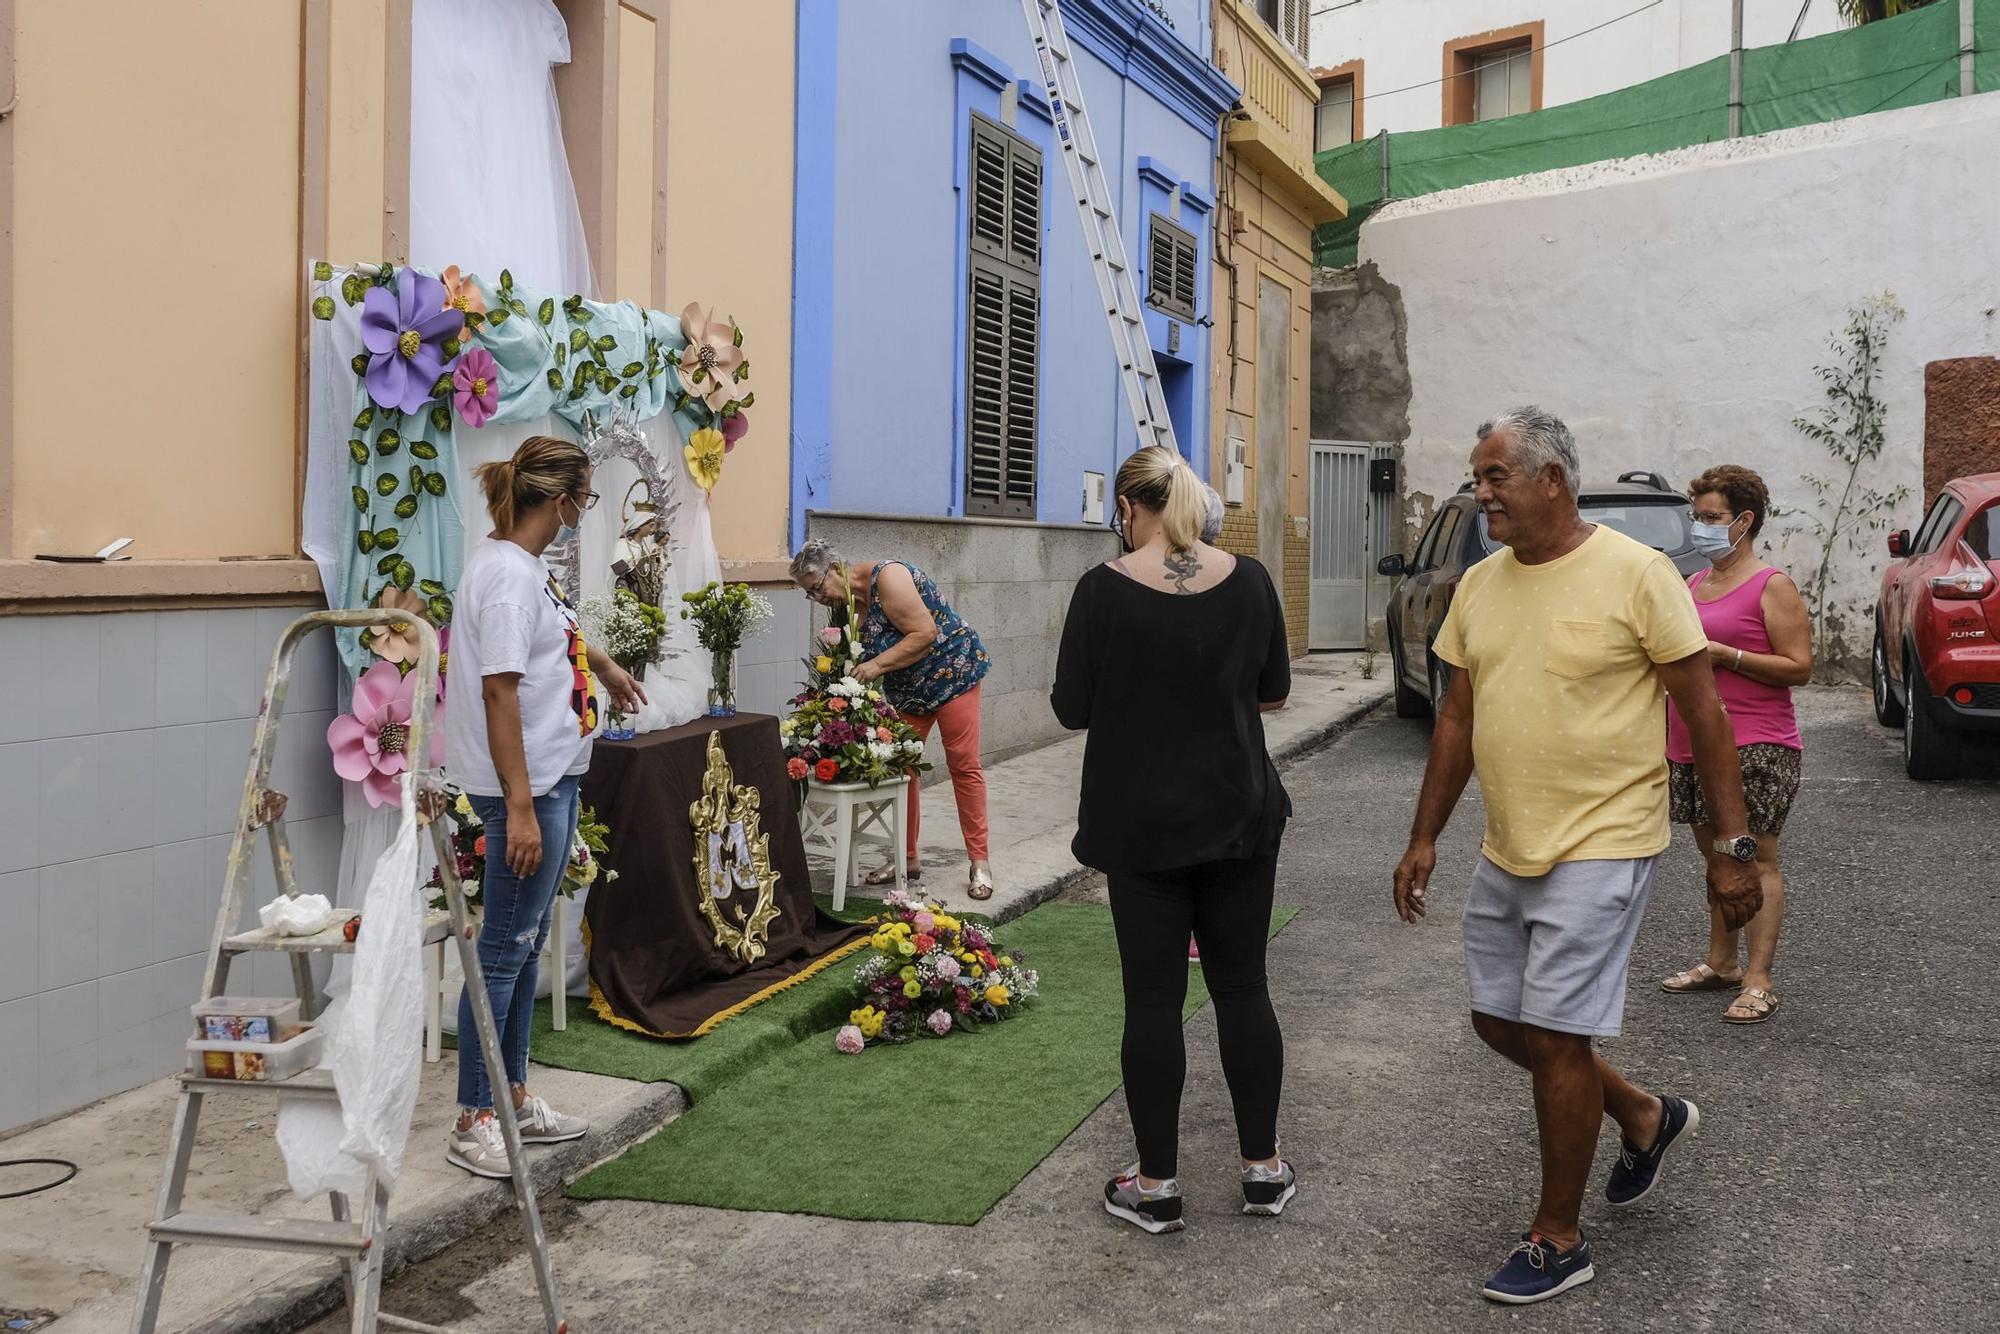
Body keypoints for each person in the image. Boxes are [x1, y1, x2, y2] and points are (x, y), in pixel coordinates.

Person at [1391, 408, 1762, 1303]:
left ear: (1550, 479)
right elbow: (1456, 716)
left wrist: (1731, 846)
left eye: (1494, 479)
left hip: (1606, 838)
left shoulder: (1637, 575)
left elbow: (1704, 713)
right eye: (1478, 480)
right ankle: (1643, 1113)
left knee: (1557, 1034)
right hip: (1508, 843)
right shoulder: (1479, 584)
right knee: (1496, 1019)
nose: (1481, 496)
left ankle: (1559, 1237)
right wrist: (1425, 835)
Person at [1051, 445, 1295, 1235]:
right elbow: (1276, 692)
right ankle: (1263, 1171)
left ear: (1127, 508)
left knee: (1153, 1001)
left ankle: (1156, 1185)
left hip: (1142, 821)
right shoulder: (1252, 579)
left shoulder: (1101, 592)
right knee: (1244, 988)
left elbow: (1070, 707)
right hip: (1239, 812)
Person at [444, 435, 645, 1178]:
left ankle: (514, 1095)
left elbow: (550, 642)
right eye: (585, 500)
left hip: (554, 776)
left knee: (523, 945)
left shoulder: (524, 570)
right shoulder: (504, 578)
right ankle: (473, 1116)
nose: (583, 514)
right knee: (501, 952)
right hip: (522, 791)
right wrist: (520, 809)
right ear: (559, 500)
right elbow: (500, 690)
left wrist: (607, 666)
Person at [1660, 466, 1811, 1023]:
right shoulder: (1694, 585)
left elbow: (1800, 667)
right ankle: (1721, 963)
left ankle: (1759, 978)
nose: (1701, 527)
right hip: (1691, 745)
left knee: (1753, 857)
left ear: (1744, 522)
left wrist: (1728, 655)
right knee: (1716, 856)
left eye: (1712, 518)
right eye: (1696, 517)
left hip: (1757, 745)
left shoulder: (1772, 585)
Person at [789, 540, 995, 900]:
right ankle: (906, 858)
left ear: (834, 569)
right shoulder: (849, 607)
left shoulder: (890, 578)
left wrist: (876, 665)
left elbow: (925, 633)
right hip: (908, 692)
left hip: (952, 675)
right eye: (810, 594)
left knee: (963, 766)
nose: (817, 599)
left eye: (817, 589)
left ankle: (980, 862)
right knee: (902, 771)